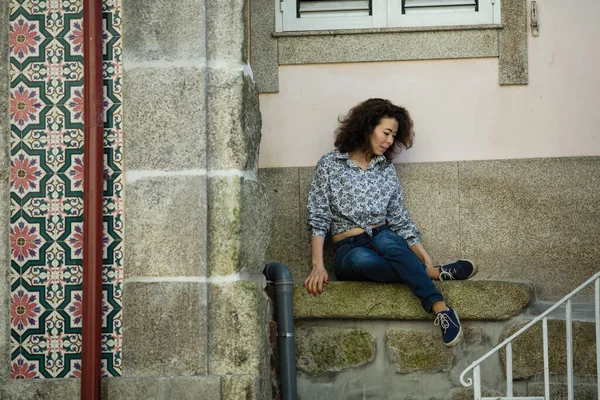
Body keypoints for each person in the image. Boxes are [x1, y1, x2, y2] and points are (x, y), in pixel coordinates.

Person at [303, 98, 477, 347]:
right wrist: (317, 266)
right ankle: (433, 274)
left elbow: (398, 218)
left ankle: (440, 309)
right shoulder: (330, 164)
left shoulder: (385, 169)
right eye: (386, 133)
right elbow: (318, 216)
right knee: (363, 260)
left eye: (394, 135)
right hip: (348, 249)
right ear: (367, 127)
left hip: (382, 235)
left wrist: (423, 254)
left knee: (388, 241)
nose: (390, 141)